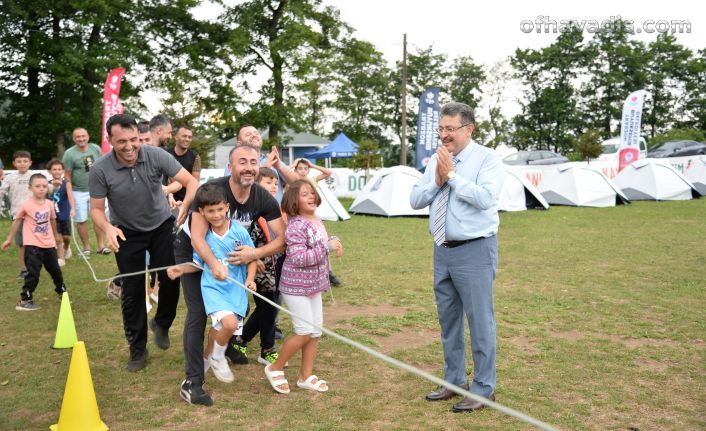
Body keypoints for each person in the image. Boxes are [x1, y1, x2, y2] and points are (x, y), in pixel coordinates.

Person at [410, 102, 505, 413]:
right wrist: (437, 178)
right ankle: (454, 382)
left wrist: (451, 176)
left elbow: (485, 198)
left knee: (480, 322)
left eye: (450, 129)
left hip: (475, 249)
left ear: (469, 129)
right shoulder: (436, 160)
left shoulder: (487, 159)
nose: (444, 135)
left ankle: (483, 389)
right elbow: (414, 199)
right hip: (442, 250)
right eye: (441, 129)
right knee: (448, 321)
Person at [174, 144, 286, 406]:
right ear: (230, 167)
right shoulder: (211, 191)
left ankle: (209, 359)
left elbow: (282, 239)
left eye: (253, 162)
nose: (248, 167)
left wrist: (254, 254)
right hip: (195, 253)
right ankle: (192, 382)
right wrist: (213, 264)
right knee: (199, 312)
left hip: (231, 255)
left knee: (229, 316)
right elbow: (199, 239)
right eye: (242, 162)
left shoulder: (262, 197)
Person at [88, 113, 199, 372]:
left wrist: (185, 209)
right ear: (110, 140)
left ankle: (161, 323)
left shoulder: (156, 155)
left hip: (161, 226)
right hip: (125, 232)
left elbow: (191, 182)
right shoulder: (100, 169)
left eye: (134, 139)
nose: (129, 147)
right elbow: (95, 209)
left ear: (140, 136)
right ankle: (137, 349)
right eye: (121, 141)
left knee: (172, 277)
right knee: (133, 291)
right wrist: (108, 228)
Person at [167, 184, 257, 383]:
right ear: (202, 212)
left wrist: (250, 280)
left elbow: (252, 259)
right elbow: (198, 265)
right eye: (210, 211)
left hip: (235, 291)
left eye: (219, 209)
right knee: (230, 323)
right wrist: (180, 269)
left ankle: (206, 363)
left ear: (227, 207)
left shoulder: (240, 232)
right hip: (214, 290)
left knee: (219, 331)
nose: (216, 215)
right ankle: (218, 356)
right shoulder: (204, 238)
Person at [263, 179, 343, 394]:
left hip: (314, 285)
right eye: (304, 194)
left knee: (315, 331)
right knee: (304, 330)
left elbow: (318, 243)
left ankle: (305, 376)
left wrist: (331, 241)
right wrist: (327, 247)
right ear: (293, 201)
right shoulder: (296, 225)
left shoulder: (316, 219)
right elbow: (298, 258)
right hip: (296, 286)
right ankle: (275, 367)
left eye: (311, 193)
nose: (310, 197)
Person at [231, 167, 284, 366]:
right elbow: (244, 239)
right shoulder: (251, 211)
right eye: (268, 182)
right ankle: (267, 349)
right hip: (259, 268)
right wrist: (255, 257)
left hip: (275, 266)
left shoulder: (275, 209)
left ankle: (242, 339)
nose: (273, 186)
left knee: (267, 307)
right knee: (268, 307)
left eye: (275, 183)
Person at [2, 173, 67, 311]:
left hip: (49, 244)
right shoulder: (26, 205)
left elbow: (52, 220)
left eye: (44, 186)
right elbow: (17, 221)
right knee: (33, 273)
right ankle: (25, 299)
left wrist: (56, 236)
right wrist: (9, 239)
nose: (41, 189)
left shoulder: (50, 204)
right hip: (32, 246)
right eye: (37, 186)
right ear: (30, 188)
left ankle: (62, 293)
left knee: (56, 271)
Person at [62, 127, 109, 255]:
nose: (81, 139)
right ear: (74, 139)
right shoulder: (69, 154)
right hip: (78, 191)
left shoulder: (96, 149)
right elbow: (67, 175)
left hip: (97, 189)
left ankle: (101, 246)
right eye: (78, 137)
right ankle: (86, 248)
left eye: (83, 136)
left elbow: (103, 167)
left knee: (98, 217)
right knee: (81, 220)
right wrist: (69, 193)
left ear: (88, 137)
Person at [0, 150, 33, 278]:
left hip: (34, 215)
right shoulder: (10, 178)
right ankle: (24, 268)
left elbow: (46, 189)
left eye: (25, 161)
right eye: (19, 161)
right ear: (14, 163)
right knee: (21, 243)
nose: (22, 164)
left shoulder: (35, 177)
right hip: (17, 215)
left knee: (35, 243)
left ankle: (35, 266)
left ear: (30, 163)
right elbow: (2, 192)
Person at [47, 159, 76, 265]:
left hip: (64, 214)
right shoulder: (47, 185)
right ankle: (60, 258)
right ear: (50, 171)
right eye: (54, 169)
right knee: (57, 238)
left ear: (63, 171)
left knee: (66, 237)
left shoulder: (66, 184)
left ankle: (67, 247)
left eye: (59, 169)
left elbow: (71, 197)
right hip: (53, 216)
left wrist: (73, 208)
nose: (57, 171)